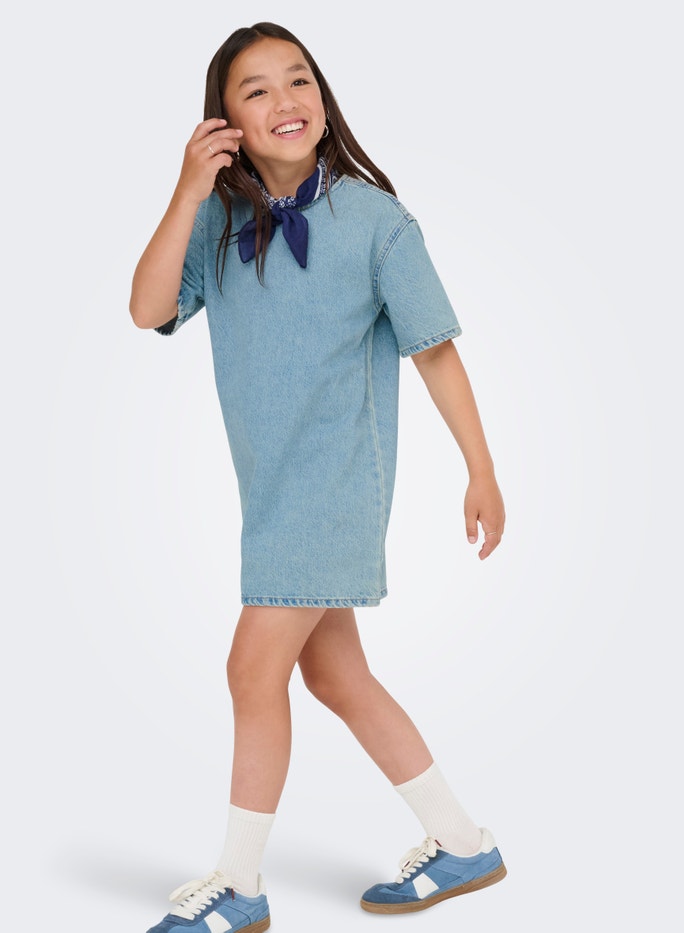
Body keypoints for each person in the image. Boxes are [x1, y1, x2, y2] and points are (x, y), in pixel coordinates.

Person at [130, 21, 507, 933]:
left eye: (298, 80)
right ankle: (463, 842)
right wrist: (187, 190)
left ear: (324, 99)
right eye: (255, 89)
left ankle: (240, 884)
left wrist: (482, 469)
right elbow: (146, 308)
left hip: (336, 483)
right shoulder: (218, 221)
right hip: (271, 491)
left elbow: (435, 350)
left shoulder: (377, 222)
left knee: (250, 668)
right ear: (224, 120)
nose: (284, 100)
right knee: (336, 675)